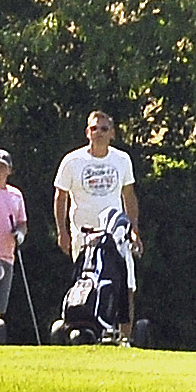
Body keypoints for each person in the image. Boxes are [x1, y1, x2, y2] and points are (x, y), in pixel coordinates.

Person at [50, 109, 141, 335]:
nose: (98, 133)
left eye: (104, 129)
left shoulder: (122, 160)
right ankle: (86, 328)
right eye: (94, 128)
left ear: (112, 133)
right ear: (86, 132)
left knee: (125, 283)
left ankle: (123, 338)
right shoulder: (72, 161)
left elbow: (128, 196)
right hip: (83, 234)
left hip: (116, 234)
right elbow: (60, 197)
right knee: (86, 282)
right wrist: (62, 231)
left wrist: (134, 231)